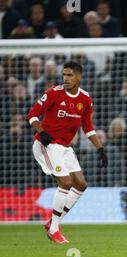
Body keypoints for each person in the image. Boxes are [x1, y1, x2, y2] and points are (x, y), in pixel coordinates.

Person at [27, 61, 108, 244]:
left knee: (80, 184)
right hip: (45, 144)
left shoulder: (85, 99)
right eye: (64, 75)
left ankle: (53, 222)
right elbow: (32, 114)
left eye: (70, 75)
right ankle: (54, 229)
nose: (66, 78)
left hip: (64, 147)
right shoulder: (53, 93)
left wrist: (100, 148)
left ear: (79, 77)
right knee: (65, 182)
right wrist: (42, 132)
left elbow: (88, 127)